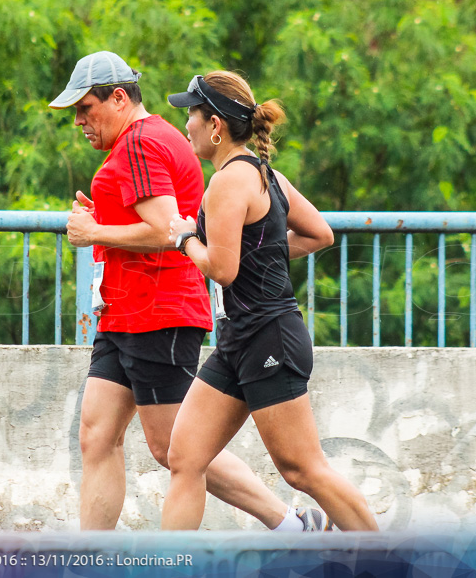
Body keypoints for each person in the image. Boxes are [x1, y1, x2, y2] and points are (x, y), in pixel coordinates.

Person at [50, 51, 329, 531]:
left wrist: (93, 232)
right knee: (96, 436)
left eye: (85, 108)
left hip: (156, 311)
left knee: (177, 450)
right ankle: (92, 556)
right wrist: (107, 219)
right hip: (123, 312)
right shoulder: (150, 140)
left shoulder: (141, 143)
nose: (79, 121)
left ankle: (290, 524)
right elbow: (165, 220)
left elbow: (166, 231)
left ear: (118, 98)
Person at [162, 71, 380, 531]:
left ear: (216, 125)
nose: (187, 126)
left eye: (191, 116)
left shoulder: (227, 182)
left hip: (269, 339)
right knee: (184, 456)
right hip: (240, 341)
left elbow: (222, 269)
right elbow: (319, 234)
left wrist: (185, 238)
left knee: (302, 469)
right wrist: (260, 250)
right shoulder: (267, 175)